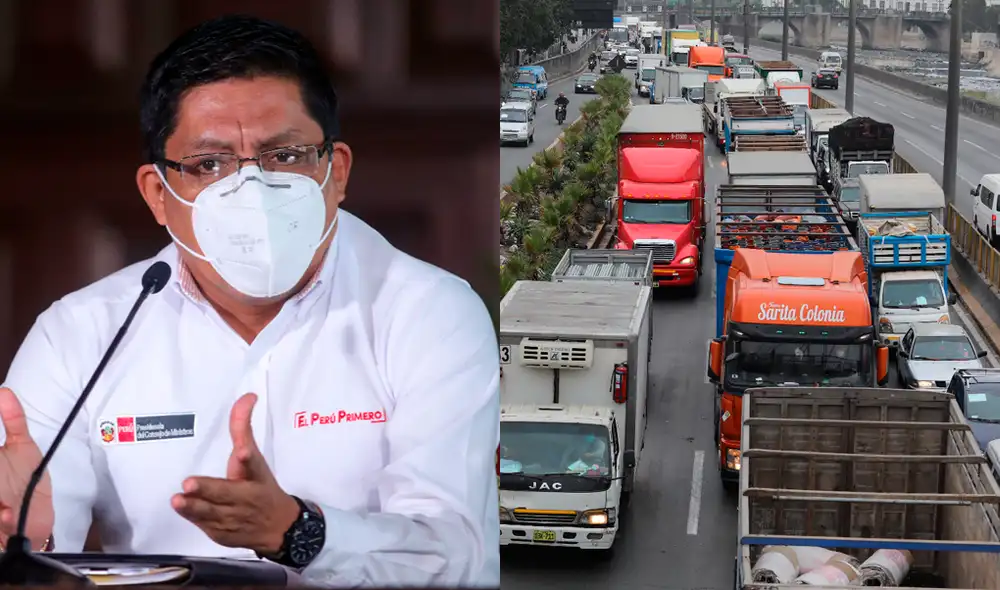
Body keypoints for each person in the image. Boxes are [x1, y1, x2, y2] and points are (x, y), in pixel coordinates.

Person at [0, 15, 499, 588]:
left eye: (284, 156)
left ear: (335, 173)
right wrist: (25, 538)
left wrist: (299, 532)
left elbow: (458, 557)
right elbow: (33, 544)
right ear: (158, 195)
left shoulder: (429, 313)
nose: (251, 190)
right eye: (210, 165)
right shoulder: (80, 333)